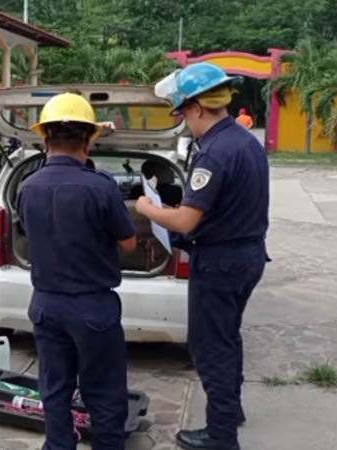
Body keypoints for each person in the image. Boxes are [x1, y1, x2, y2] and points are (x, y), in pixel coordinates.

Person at [137, 63, 270, 450]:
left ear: (196, 108)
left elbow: (186, 219)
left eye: (182, 114)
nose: (183, 124)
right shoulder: (245, 141)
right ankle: (231, 410)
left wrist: (147, 209)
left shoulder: (214, 153)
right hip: (247, 254)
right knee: (227, 338)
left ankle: (221, 434)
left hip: (221, 262)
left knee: (209, 347)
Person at [18, 93, 137, 450]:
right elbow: (129, 242)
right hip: (92, 307)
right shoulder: (102, 187)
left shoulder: (26, 187)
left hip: (45, 305)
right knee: (103, 390)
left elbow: (29, 231)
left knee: (54, 388)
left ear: (44, 139)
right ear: (89, 141)